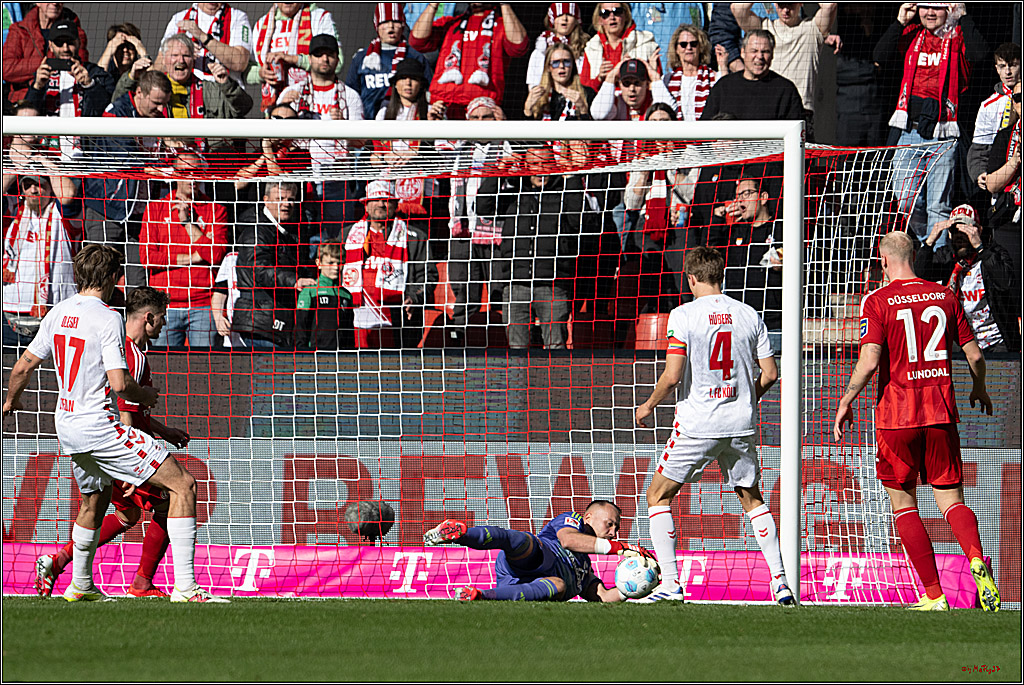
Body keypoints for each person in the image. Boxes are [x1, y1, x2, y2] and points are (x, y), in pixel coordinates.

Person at [2, 244, 227, 602]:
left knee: (95, 499)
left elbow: (22, 367)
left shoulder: (58, 312)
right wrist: (145, 395)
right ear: (110, 278)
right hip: (99, 426)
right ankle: (186, 587)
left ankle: (80, 584)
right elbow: (121, 385)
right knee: (183, 485)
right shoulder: (108, 318)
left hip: (67, 425)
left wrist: (10, 401)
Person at [833, 231, 999, 612]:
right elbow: (974, 355)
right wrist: (980, 388)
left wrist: (846, 400)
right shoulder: (945, 295)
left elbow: (870, 361)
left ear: (883, 259)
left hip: (897, 416)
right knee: (951, 499)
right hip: (940, 411)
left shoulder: (877, 300)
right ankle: (976, 559)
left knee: (904, 505)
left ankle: (934, 595)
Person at [635, 246, 795, 605]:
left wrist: (647, 405)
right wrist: (745, 398)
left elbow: (673, 375)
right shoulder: (749, 314)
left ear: (691, 278)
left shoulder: (683, 315)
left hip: (699, 423)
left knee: (657, 495)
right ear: (720, 276)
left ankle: (672, 584)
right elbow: (770, 373)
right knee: (751, 497)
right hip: (740, 422)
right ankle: (780, 581)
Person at [34, 287, 191, 598]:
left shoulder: (124, 350)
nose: (163, 325)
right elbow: (125, 414)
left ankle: (59, 562)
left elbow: (130, 411)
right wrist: (132, 469)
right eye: (161, 318)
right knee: (174, 496)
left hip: (102, 440)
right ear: (149, 317)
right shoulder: (129, 355)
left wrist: (163, 430)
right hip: (118, 448)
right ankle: (143, 583)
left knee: (126, 516)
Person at [873, 2, 986, 246]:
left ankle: (937, 263)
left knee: (938, 206)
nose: (930, 13)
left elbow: (981, 55)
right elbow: (879, 56)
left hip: (944, 134)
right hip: (908, 132)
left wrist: (963, 17)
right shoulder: (912, 33)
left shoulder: (959, 37)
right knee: (905, 201)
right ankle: (929, 248)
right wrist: (900, 21)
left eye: (937, 7)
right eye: (924, 7)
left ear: (950, 9)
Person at [423, 500, 653, 602]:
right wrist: (621, 549)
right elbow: (567, 540)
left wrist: (637, 587)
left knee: (560, 586)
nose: (613, 532)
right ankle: (459, 534)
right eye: (610, 524)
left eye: (617, 529)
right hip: (532, 559)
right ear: (589, 517)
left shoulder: (585, 568)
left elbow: (603, 596)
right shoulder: (572, 520)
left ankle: (479, 595)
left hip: (523, 587)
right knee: (527, 542)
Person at [478, 144, 584, 350]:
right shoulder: (514, 194)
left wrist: (571, 177)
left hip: (552, 284)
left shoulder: (564, 193)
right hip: (516, 284)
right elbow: (483, 207)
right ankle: (520, 384)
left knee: (556, 346)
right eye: (535, 164)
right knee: (517, 349)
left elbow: (580, 219)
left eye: (546, 163)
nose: (540, 169)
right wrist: (499, 171)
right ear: (525, 166)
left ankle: (555, 383)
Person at [85, 70, 173, 293]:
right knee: (99, 279)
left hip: (141, 216)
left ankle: (133, 327)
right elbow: (124, 157)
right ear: (140, 93)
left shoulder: (161, 119)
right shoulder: (116, 113)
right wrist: (156, 169)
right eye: (156, 103)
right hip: (108, 209)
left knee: (139, 285)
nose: (161, 110)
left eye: (164, 104)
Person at [139, 151, 229, 347]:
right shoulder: (155, 209)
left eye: (197, 172)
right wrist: (196, 256)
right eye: (185, 172)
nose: (192, 177)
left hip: (203, 303)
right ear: (174, 174)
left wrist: (188, 224)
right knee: (163, 370)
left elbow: (216, 255)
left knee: (203, 369)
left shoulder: (215, 210)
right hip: (165, 304)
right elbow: (147, 258)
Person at [278, 33, 364, 228]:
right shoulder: (292, 93)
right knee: (300, 243)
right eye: (319, 54)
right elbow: (275, 140)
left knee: (335, 244)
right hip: (299, 181)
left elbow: (361, 142)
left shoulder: (350, 96)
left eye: (330, 55)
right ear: (309, 59)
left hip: (336, 182)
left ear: (337, 59)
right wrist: (282, 108)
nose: (324, 59)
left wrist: (343, 126)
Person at [340, 180, 435, 349]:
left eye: (386, 200)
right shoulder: (347, 235)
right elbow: (334, 269)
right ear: (366, 205)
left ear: (395, 205)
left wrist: (414, 297)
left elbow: (428, 275)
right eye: (375, 200)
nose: (381, 205)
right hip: (355, 314)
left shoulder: (415, 237)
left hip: (397, 317)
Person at [915, 205, 1018, 353]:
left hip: (996, 341)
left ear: (978, 230)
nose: (960, 235)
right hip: (962, 342)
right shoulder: (946, 258)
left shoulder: (995, 253)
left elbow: (1005, 283)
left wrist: (980, 248)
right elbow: (919, 278)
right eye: (955, 231)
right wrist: (929, 242)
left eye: (966, 230)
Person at [732, 2, 840, 140]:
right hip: (768, 109)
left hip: (801, 112)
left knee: (802, 160)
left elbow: (830, 5)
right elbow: (737, 8)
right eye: (781, 5)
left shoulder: (812, 29)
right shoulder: (765, 28)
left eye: (790, 5)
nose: (785, 10)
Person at [232, 181, 318, 348]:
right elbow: (259, 269)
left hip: (278, 321)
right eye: (280, 198)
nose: (287, 204)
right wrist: (295, 281)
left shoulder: (292, 232)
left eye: (291, 199)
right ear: (266, 200)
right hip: (261, 322)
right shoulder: (256, 231)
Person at [410, 2, 529, 119]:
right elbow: (417, 40)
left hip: (481, 110)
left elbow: (519, 46)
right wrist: (433, 4)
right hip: (443, 105)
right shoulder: (451, 23)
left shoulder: (502, 25)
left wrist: (504, 4)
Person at [2, 173, 80, 348]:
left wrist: (46, 164)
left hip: (53, 313)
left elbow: (67, 194)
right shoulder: (13, 210)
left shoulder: (62, 213)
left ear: (51, 187)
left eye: (39, 185)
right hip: (10, 311)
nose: (33, 190)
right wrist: (18, 166)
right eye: (27, 185)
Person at [707, 177, 783, 345]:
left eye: (747, 194)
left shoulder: (780, 228)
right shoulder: (734, 231)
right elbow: (711, 254)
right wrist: (719, 217)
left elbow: (783, 260)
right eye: (738, 195)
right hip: (736, 324)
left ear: (763, 197)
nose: (741, 200)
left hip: (770, 325)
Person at [112, 34, 253, 122]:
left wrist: (226, 84)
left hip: (205, 162)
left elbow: (244, 108)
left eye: (186, 56)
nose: (181, 60)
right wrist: (131, 78)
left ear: (193, 59)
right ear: (165, 59)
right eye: (174, 56)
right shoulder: (151, 87)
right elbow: (117, 107)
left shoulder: (209, 89)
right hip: (162, 161)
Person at [248, 2, 340, 114]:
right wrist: (261, 73)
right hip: (274, 112)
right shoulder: (261, 25)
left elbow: (337, 63)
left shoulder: (319, 17)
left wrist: (294, 59)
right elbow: (246, 72)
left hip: (311, 108)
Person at [346, 2, 432, 120]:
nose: (391, 26)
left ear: (403, 25)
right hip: (367, 127)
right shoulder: (362, 58)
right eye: (385, 22)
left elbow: (429, 92)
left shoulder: (415, 57)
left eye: (396, 22)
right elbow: (351, 95)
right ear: (377, 26)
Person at [700, 29, 803, 122]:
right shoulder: (723, 87)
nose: (759, 56)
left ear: (772, 55)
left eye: (765, 52)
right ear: (743, 53)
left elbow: (796, 132)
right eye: (754, 51)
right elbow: (704, 129)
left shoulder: (786, 90)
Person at [23, 20, 115, 124]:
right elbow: (26, 117)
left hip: (84, 138)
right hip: (50, 139)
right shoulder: (43, 75)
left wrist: (90, 85)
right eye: (59, 43)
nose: (65, 48)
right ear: (51, 46)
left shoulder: (95, 73)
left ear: (78, 43)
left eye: (70, 42)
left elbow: (108, 110)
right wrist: (37, 88)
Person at [2, 2, 89, 103]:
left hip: (63, 98)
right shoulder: (19, 30)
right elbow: (6, 69)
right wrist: (43, 65)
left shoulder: (75, 33)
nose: (55, 3)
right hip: (23, 101)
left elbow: (78, 64)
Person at [968, 44, 1020, 188]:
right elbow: (979, 148)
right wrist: (979, 173)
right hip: (1001, 177)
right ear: (997, 69)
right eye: (1002, 66)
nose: (1008, 72)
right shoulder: (988, 106)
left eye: (1013, 65)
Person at [984, 80, 1021, 276]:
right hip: (1010, 222)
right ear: (1014, 103)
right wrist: (1015, 161)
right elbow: (991, 185)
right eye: (1019, 98)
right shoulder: (1005, 137)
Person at [579, 3, 658, 92]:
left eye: (617, 12)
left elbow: (657, 84)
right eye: (605, 13)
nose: (612, 17)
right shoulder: (592, 47)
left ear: (626, 16)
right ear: (600, 20)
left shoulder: (645, 42)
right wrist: (599, 78)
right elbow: (584, 89)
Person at [161, 2, 253, 78]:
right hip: (189, 93)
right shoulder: (179, 18)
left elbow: (240, 62)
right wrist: (184, 53)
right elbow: (160, 65)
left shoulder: (237, 17)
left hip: (224, 92)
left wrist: (202, 36)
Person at [295, 242, 353, 350]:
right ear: (319, 263)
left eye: (339, 263)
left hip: (341, 359)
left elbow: (349, 334)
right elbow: (300, 331)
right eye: (330, 263)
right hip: (316, 357)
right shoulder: (310, 292)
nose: (336, 267)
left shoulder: (346, 295)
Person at [591, 56, 674, 122]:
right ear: (619, 85)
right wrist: (610, 78)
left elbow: (670, 112)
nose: (632, 88)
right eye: (626, 83)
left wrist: (655, 78)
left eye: (637, 83)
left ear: (647, 84)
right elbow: (598, 114)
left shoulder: (653, 101)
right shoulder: (616, 103)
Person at [525, 2, 588, 89]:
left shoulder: (585, 48)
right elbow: (533, 85)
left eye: (569, 15)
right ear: (552, 20)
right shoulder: (541, 50)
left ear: (576, 20)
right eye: (560, 15)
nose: (564, 19)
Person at [663, 23, 717, 122]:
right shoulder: (667, 80)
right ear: (676, 49)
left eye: (693, 44)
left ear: (700, 47)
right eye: (683, 44)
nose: (689, 48)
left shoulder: (713, 77)